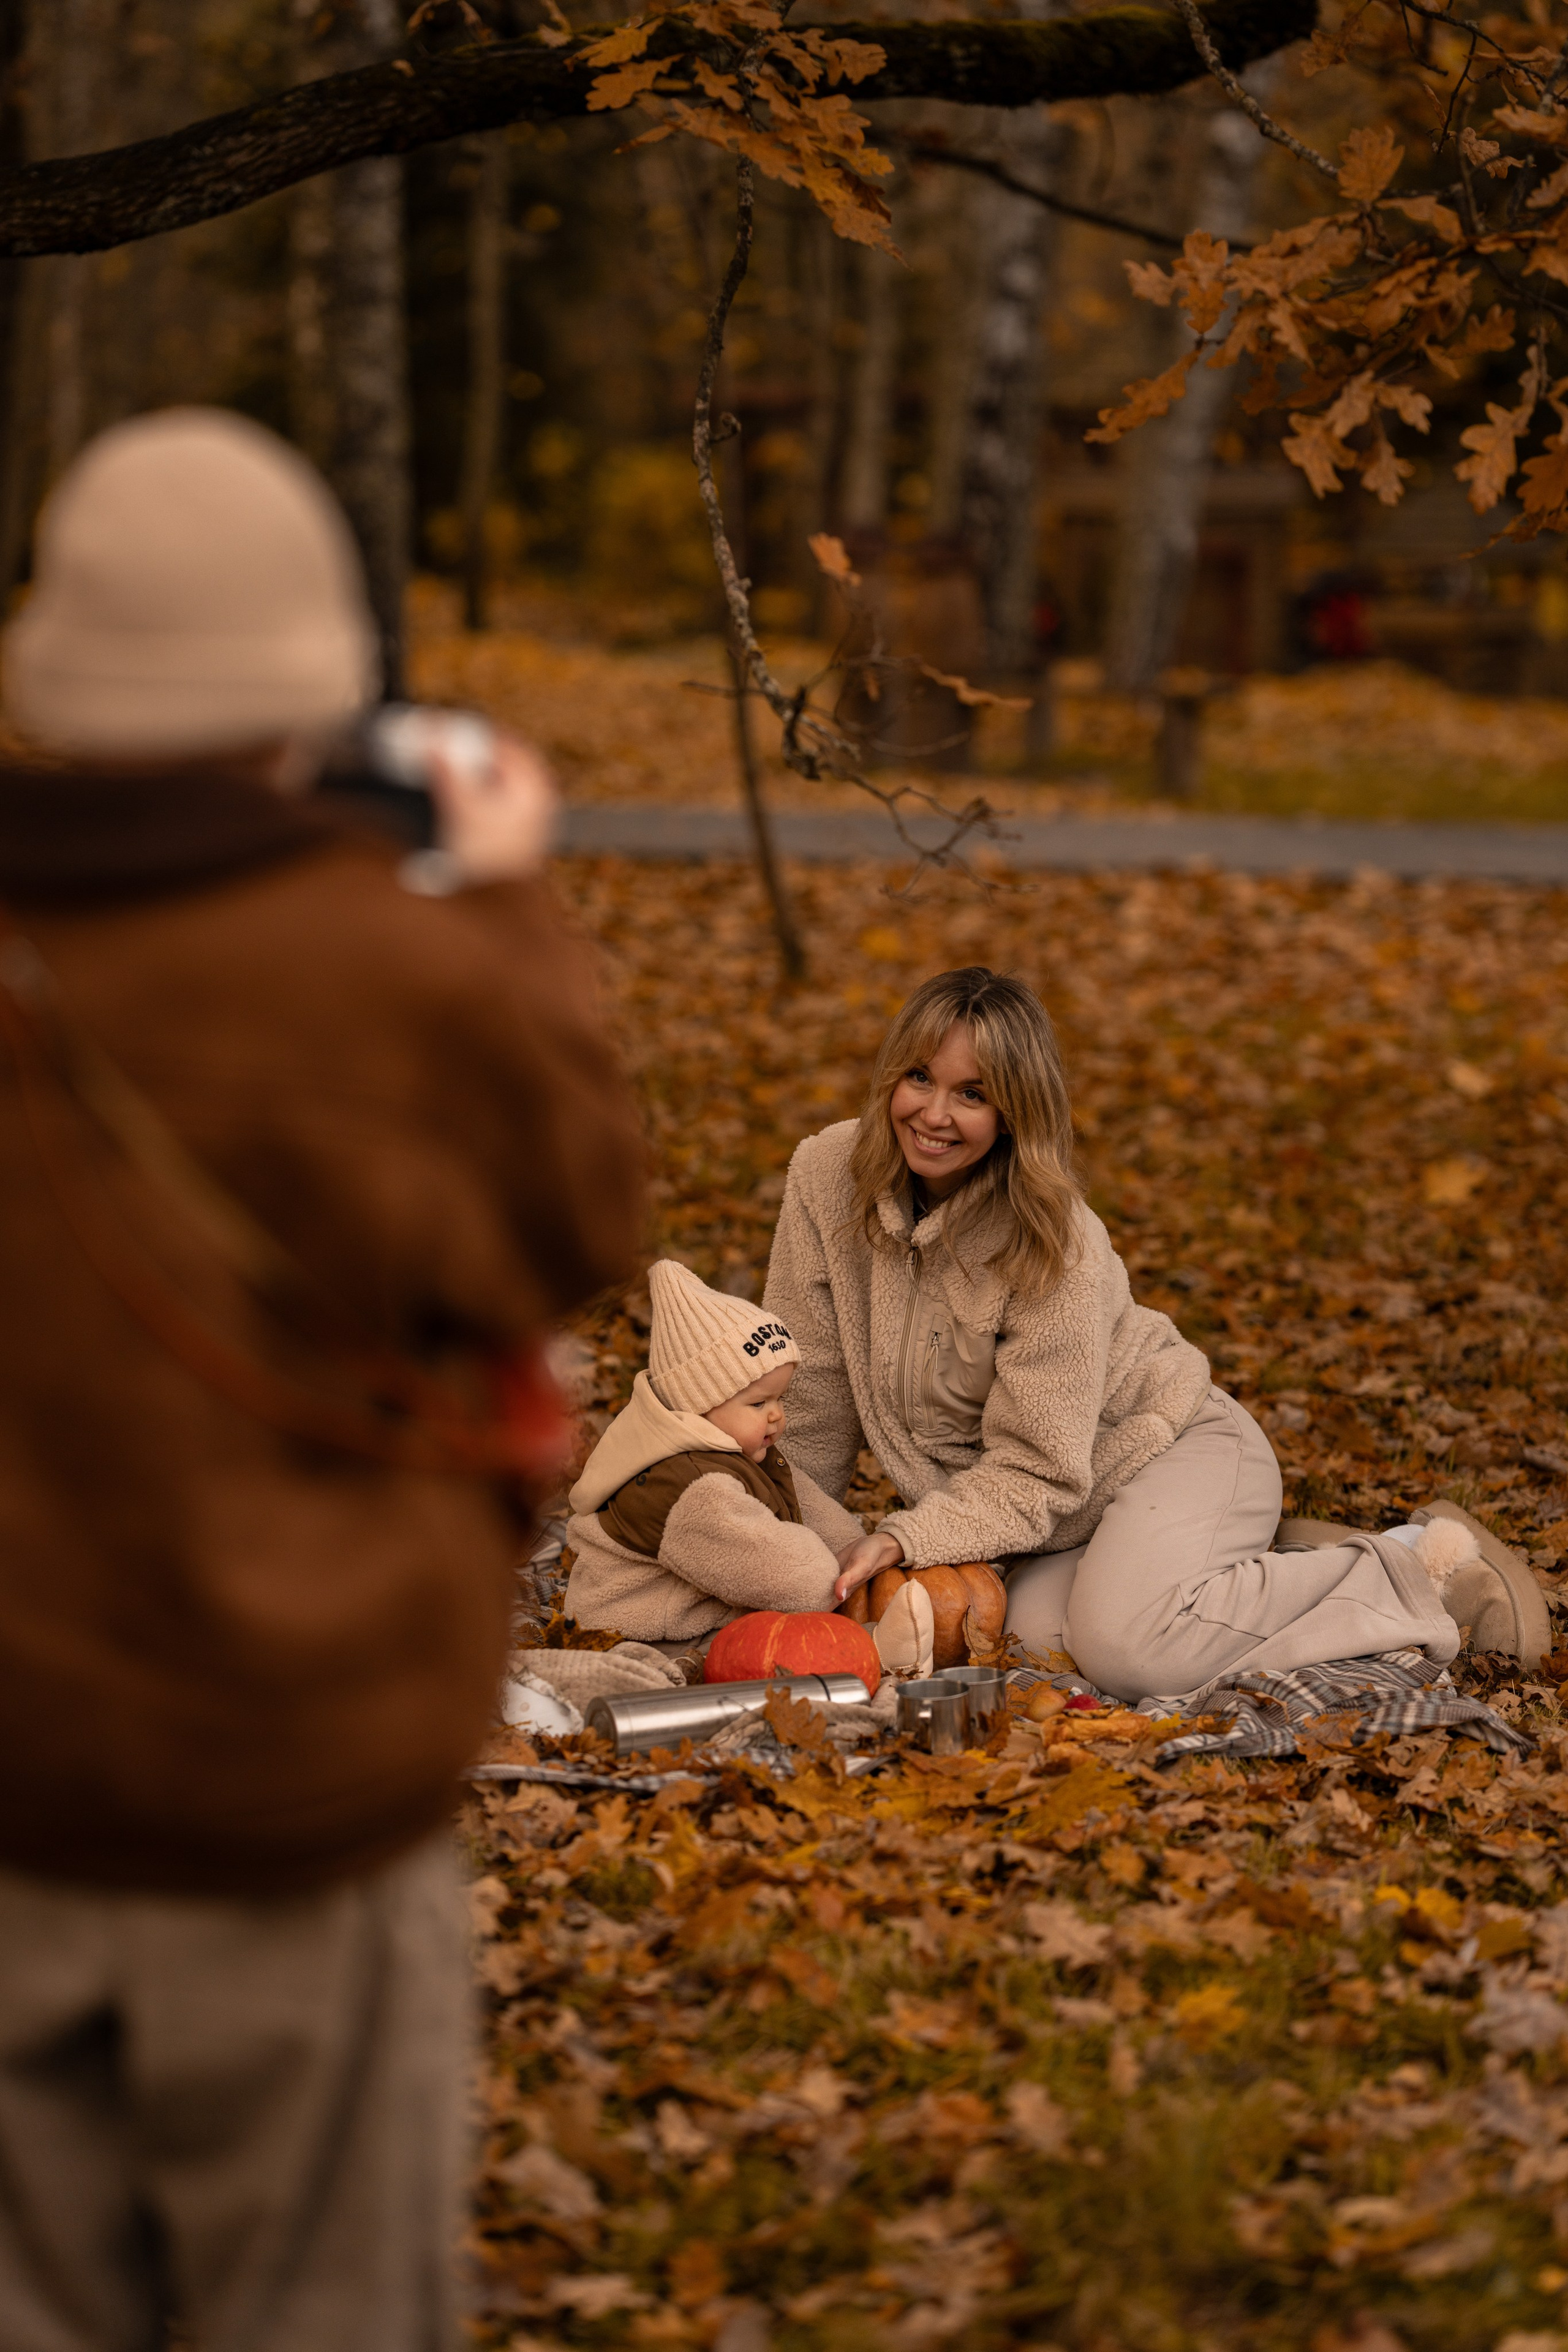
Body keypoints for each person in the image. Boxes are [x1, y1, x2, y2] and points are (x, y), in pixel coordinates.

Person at [0, 409, 643, 2352]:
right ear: (319, 689)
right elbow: (576, 1221)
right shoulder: (391, 968)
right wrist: (502, 885)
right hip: (292, 1798)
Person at [763, 965, 1545, 1706]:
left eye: (972, 1093)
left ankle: (1409, 1565)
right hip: (1057, 1517)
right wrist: (793, 1567)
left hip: (1170, 1447)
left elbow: (1039, 1472)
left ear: (1013, 1113)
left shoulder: (1051, 1240)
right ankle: (1269, 1569)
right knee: (1035, 1646)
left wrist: (901, 1540)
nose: (934, 1114)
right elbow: (813, 1401)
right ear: (890, 1075)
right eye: (919, 1078)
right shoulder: (828, 1178)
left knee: (1127, 1652)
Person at [565, 1257, 928, 1668]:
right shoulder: (692, 1488)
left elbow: (811, 1509)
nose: (775, 1415)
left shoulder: (744, 1450)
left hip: (703, 1614)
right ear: (699, 1404)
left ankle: (876, 1647)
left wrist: (856, 1552)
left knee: (782, 1636)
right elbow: (796, 1579)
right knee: (775, 1658)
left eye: (780, 1399)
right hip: (644, 1635)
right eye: (758, 1403)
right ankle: (878, 1653)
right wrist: (837, 1577)